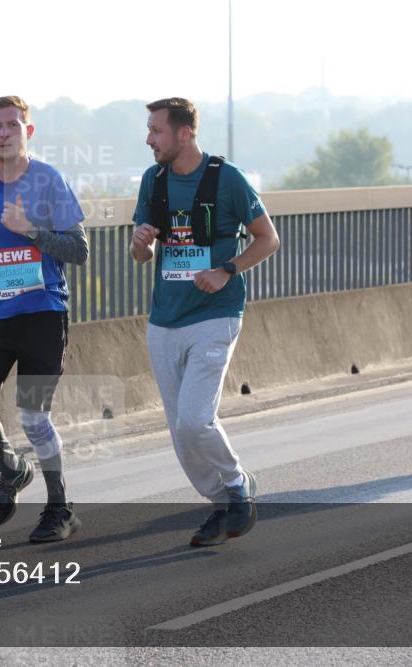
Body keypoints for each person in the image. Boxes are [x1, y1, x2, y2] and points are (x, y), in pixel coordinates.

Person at [130, 97, 280, 547]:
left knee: (196, 421)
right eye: (149, 130)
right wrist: (139, 243)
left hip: (215, 315)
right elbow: (142, 255)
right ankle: (221, 502)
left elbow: (268, 239)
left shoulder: (226, 179)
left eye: (156, 130)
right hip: (164, 319)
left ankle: (238, 485)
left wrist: (226, 269)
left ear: (184, 133)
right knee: (180, 430)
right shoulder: (152, 180)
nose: (149, 139)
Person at [0, 95, 89, 542]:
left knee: (34, 419)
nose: (4, 133)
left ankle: (60, 509)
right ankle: (12, 469)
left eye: (12, 125)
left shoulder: (49, 181)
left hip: (42, 314)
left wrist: (30, 230)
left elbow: (80, 250)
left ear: (27, 132)